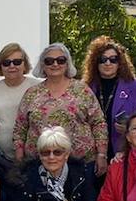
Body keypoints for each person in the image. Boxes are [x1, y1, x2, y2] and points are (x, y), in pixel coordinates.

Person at [13, 43, 108, 175]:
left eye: (60, 60)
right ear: (43, 65)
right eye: (49, 61)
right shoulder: (32, 93)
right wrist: (19, 158)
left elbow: (98, 123)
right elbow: (20, 127)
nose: (55, 64)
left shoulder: (82, 90)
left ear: (67, 63)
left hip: (80, 164)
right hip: (39, 164)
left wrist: (102, 154)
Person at [82, 36, 136, 158]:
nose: (108, 63)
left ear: (120, 63)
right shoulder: (85, 88)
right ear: (95, 62)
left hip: (125, 152)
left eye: (113, 59)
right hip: (92, 155)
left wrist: (130, 127)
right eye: (102, 59)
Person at [0, 44, 39, 158]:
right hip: (2, 156)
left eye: (17, 62)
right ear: (1, 66)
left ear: (25, 64)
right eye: (6, 62)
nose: (12, 66)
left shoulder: (36, 87)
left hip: (33, 155)